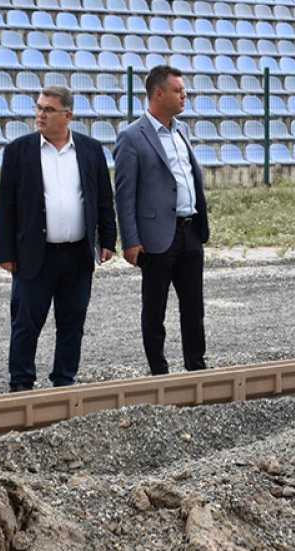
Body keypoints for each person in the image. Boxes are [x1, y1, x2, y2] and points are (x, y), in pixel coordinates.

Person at [0, 85, 117, 392]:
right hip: (34, 255)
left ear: (68, 115)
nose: (40, 115)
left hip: (77, 254)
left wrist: (108, 239)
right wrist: (6, 252)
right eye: (38, 108)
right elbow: (6, 207)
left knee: (72, 323)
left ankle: (64, 383)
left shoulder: (90, 151)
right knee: (26, 324)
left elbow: (103, 198)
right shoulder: (18, 151)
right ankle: (21, 385)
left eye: (48, 110)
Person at [114, 65, 210, 375]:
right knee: (155, 310)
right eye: (178, 90)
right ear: (158, 93)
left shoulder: (182, 130)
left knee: (194, 307)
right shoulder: (132, 136)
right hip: (156, 237)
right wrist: (130, 240)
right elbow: (124, 194)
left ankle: (196, 366)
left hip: (190, 230)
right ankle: (159, 371)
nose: (184, 95)